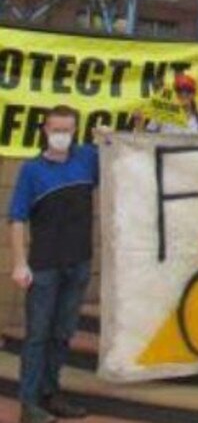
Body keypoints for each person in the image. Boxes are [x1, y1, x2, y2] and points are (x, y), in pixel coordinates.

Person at [9, 106, 102, 422]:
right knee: (38, 335)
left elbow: (125, 152)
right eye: (56, 129)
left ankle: (51, 393)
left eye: (68, 129)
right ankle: (28, 403)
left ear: (75, 131)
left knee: (63, 333)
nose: (62, 135)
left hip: (78, 264)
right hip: (44, 267)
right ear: (45, 130)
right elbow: (17, 219)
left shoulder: (87, 159)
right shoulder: (31, 170)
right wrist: (20, 263)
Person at [134, 73, 198, 134]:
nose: (183, 94)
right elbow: (146, 142)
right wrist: (139, 126)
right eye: (179, 90)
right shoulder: (162, 112)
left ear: (194, 94)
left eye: (188, 90)